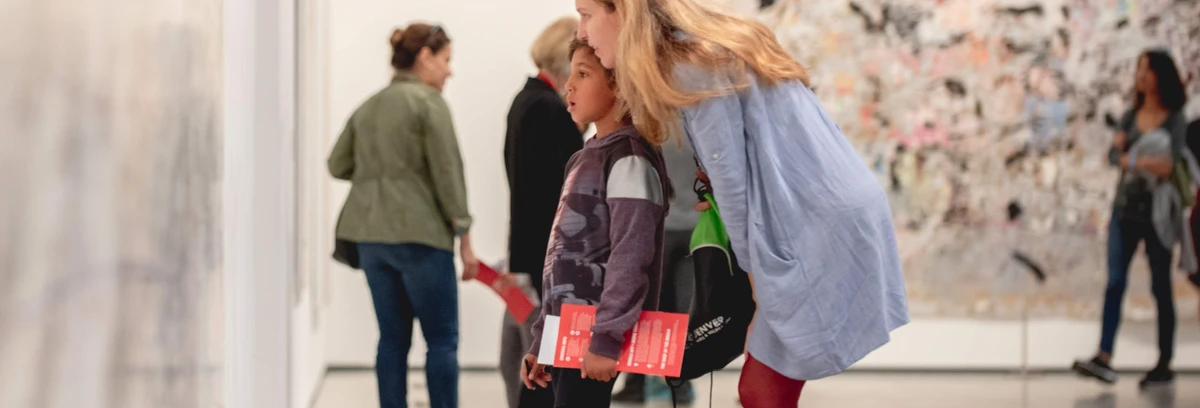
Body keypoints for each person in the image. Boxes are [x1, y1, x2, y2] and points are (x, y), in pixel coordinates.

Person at [573, 1, 910, 406]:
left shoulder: (690, 66)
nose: (581, 32)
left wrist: (758, 290)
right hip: (830, 210)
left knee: (761, 390)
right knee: (765, 387)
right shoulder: (703, 49)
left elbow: (735, 190)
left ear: (623, 12)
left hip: (812, 224)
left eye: (586, 14)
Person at [328, 23, 477, 408]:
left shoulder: (369, 105)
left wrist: (379, 175)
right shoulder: (429, 103)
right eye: (446, 60)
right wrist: (464, 237)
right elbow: (449, 175)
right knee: (441, 340)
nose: (449, 71)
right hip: (421, 238)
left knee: (391, 340)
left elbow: (336, 164)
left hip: (370, 240)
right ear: (425, 58)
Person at [520, 39, 672, 408]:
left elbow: (631, 256)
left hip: (594, 338)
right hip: (566, 336)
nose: (569, 85)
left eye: (583, 74)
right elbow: (559, 260)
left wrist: (606, 338)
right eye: (570, 73)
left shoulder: (630, 160)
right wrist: (543, 340)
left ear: (620, 86)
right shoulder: (582, 158)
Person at [1073, 50, 1190, 388]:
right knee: (1114, 283)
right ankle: (1104, 356)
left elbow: (1169, 165)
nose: (1140, 75)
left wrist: (1132, 157)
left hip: (1158, 215)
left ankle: (1164, 361)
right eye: (1138, 69)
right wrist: (1140, 159)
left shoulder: (1174, 118)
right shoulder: (1129, 116)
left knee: (1160, 287)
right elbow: (1114, 156)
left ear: (1160, 76)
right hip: (1125, 211)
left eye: (1146, 69)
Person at [498, 16, 584, 408]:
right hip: (546, 247)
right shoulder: (549, 109)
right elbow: (560, 190)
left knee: (526, 345)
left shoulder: (525, 99)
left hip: (529, 243)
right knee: (542, 355)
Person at [611, 138, 698, 404]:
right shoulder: (698, 128)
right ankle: (675, 384)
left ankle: (642, 382)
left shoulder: (651, 130)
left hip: (661, 227)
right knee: (680, 310)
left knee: (651, 310)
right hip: (695, 226)